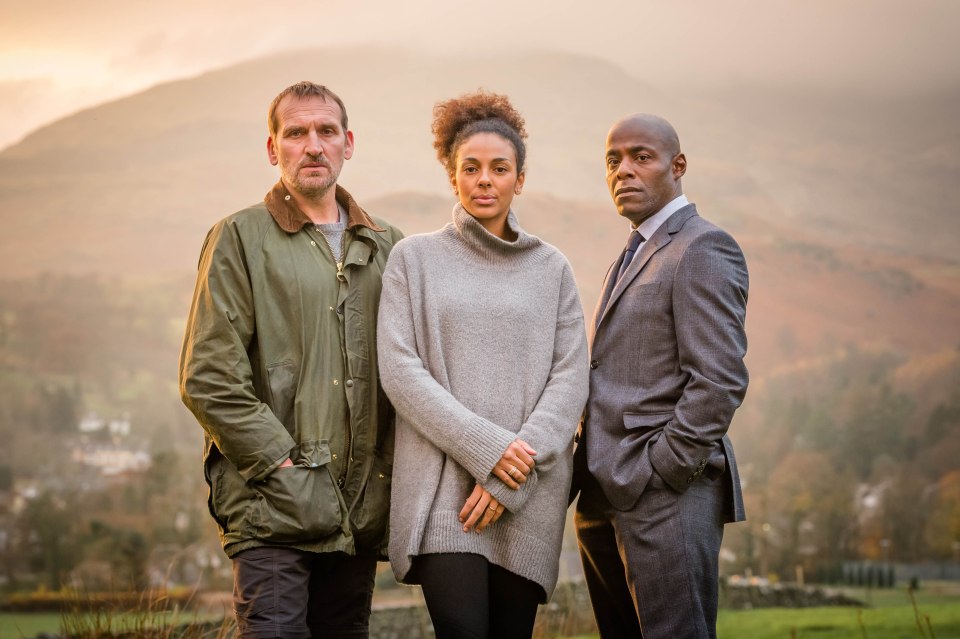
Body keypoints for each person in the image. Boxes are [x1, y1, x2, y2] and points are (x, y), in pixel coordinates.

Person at [178, 81, 403, 639]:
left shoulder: (388, 246)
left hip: (357, 508)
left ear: (348, 143)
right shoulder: (238, 237)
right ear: (272, 147)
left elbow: (411, 373)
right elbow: (208, 377)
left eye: (326, 131)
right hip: (271, 507)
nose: (313, 145)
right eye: (296, 132)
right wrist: (283, 466)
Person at [377, 91, 589, 638]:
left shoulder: (552, 269)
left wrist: (510, 478)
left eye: (500, 168)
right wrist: (490, 453)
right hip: (444, 493)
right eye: (470, 168)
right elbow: (400, 371)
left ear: (520, 178)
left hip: (527, 495)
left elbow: (570, 379)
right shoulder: (413, 260)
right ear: (452, 176)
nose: (484, 180)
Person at [572, 113, 749, 639]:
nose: (623, 170)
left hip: (664, 495)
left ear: (678, 166)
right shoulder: (634, 252)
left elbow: (718, 382)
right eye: (612, 160)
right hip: (603, 493)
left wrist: (662, 470)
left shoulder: (702, 248)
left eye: (640, 157)